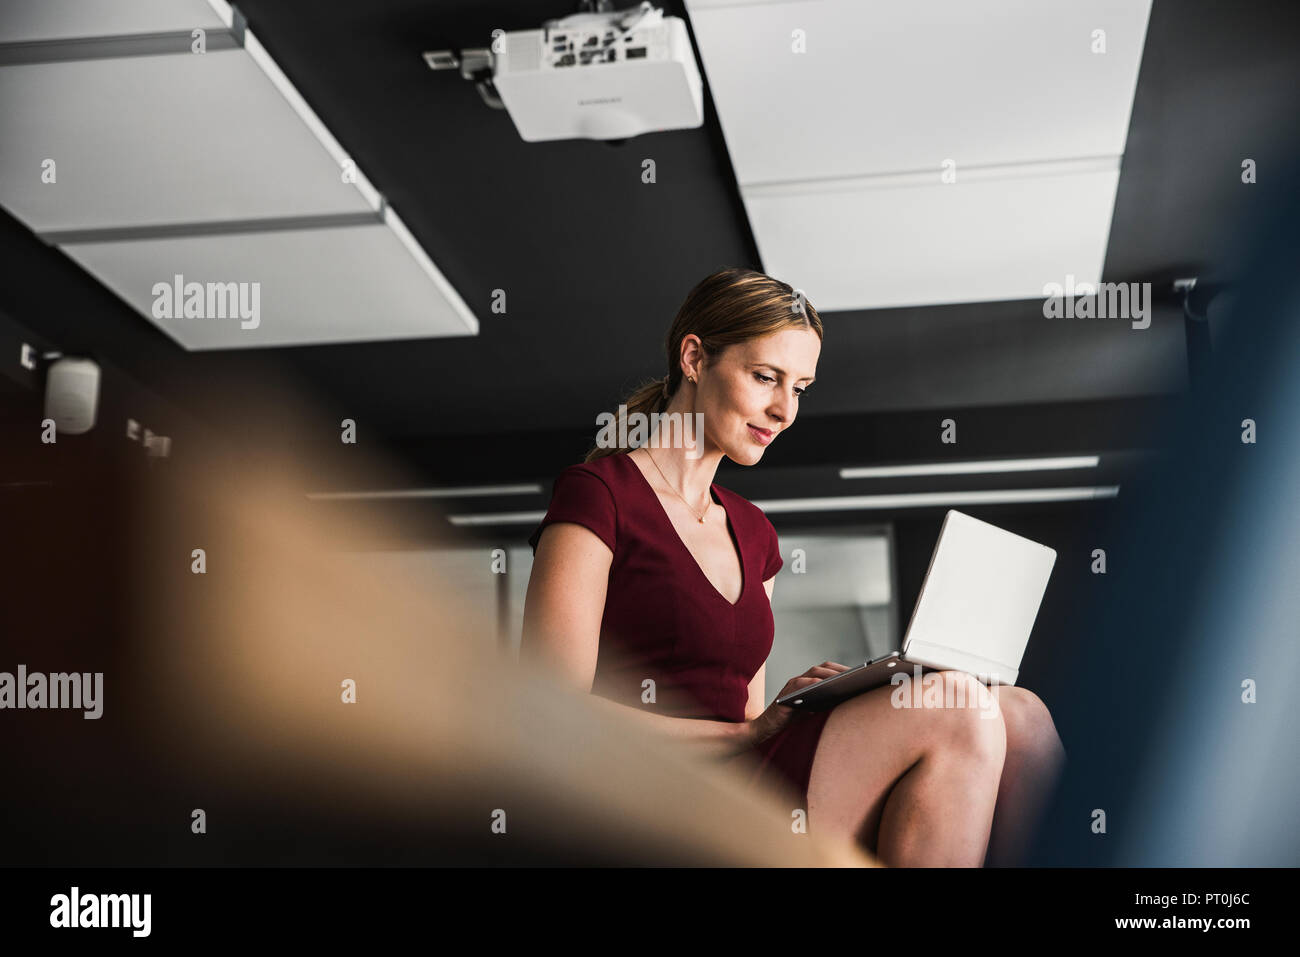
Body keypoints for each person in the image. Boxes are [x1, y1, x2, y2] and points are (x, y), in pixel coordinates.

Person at [521, 267, 1065, 866]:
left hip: (743, 767)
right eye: (765, 378)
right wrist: (744, 733)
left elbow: (746, 710)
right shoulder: (600, 494)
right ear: (696, 358)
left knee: (1022, 715)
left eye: (800, 388)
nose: (784, 410)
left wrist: (793, 707)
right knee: (959, 707)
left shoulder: (755, 532)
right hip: (653, 796)